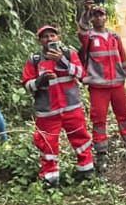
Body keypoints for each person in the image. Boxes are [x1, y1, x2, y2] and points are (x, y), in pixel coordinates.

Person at [22, 26, 94, 186]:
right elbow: (27, 85)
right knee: (47, 144)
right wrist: (40, 81)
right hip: (47, 112)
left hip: (71, 107)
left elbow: (82, 75)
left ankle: (86, 170)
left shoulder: (69, 53)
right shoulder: (34, 59)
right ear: (40, 41)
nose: (49, 39)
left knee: (81, 139)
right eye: (45, 37)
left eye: (52, 35)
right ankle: (50, 178)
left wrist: (61, 60)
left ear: (58, 37)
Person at [78, 1, 126, 163]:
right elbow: (83, 29)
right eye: (95, 15)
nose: (98, 18)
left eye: (101, 14)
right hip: (98, 87)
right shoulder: (89, 37)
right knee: (99, 120)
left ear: (106, 17)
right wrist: (86, 12)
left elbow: (124, 59)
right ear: (92, 19)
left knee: (124, 116)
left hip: (118, 85)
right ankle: (101, 154)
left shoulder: (114, 37)